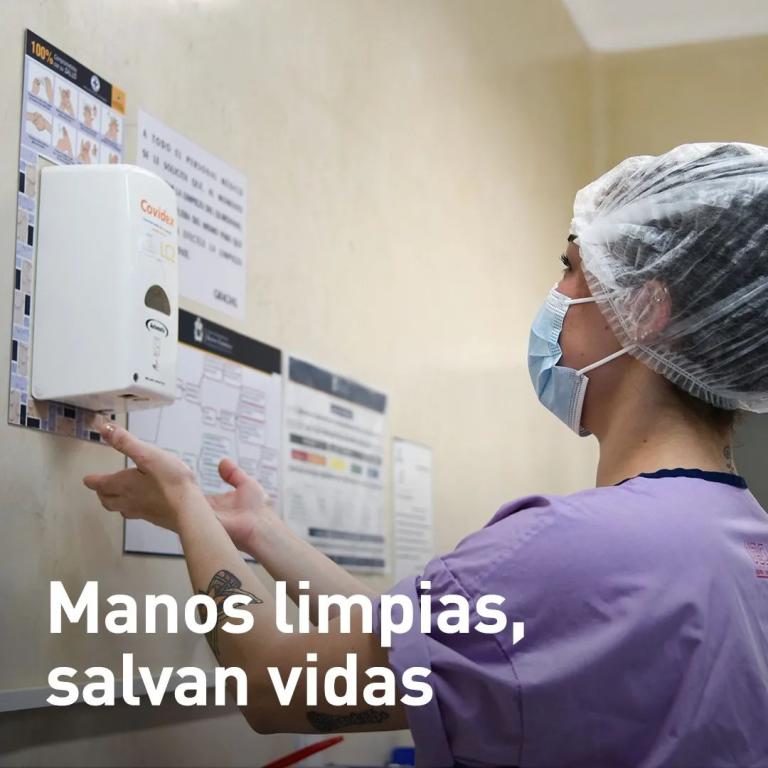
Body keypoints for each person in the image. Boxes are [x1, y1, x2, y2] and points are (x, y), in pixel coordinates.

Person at [84, 142, 768, 767]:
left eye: (570, 268)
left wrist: (180, 499)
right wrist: (257, 533)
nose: (554, 297)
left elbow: (270, 685)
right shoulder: (736, 542)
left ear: (644, 310)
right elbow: (430, 641)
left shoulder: (576, 550)